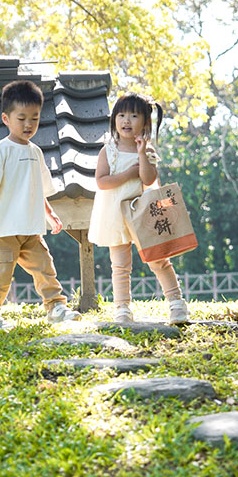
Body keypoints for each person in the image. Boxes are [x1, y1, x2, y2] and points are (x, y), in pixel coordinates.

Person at [0, 79, 82, 333]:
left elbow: (38, 189)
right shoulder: (1, 150)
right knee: (0, 274)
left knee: (45, 267)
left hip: (30, 229)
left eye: (34, 118)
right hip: (2, 230)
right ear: (6, 118)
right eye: (21, 118)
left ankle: (56, 307)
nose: (28, 124)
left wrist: (50, 214)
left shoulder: (35, 152)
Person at [89, 92, 190, 326]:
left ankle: (176, 303)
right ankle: (122, 308)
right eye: (121, 115)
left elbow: (148, 178)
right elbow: (102, 182)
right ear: (114, 119)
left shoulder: (147, 150)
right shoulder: (108, 150)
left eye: (134, 116)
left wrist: (142, 153)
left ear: (145, 122)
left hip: (144, 214)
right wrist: (127, 174)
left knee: (159, 260)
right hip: (115, 214)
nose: (127, 120)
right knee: (120, 265)